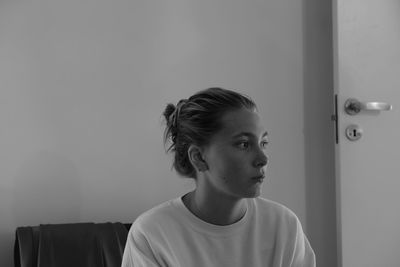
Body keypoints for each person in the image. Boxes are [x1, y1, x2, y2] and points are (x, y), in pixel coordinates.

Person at [121, 87, 316, 267]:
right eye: (243, 144)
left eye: (263, 143)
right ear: (198, 157)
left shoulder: (283, 226)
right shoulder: (152, 235)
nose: (263, 159)